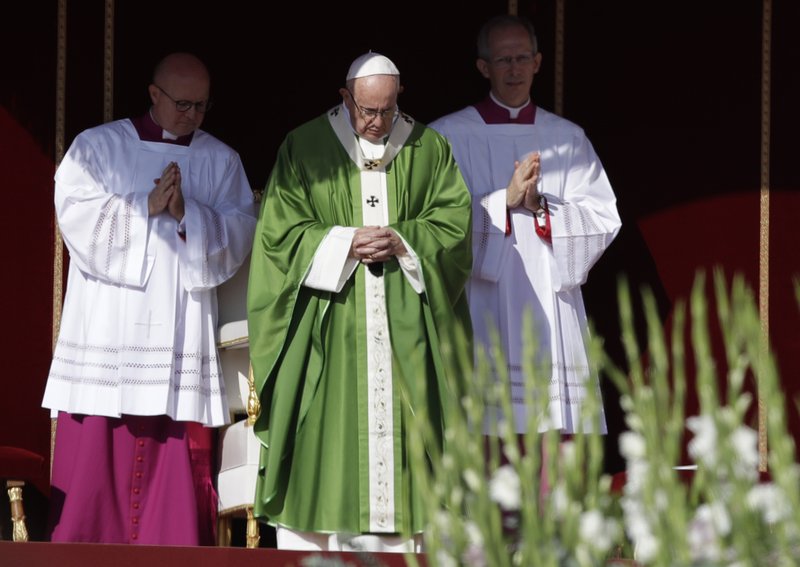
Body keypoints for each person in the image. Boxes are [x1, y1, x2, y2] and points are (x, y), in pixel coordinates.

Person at [247, 51, 473, 553]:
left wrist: (403, 240)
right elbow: (279, 236)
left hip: (403, 334)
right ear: (345, 98)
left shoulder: (429, 149)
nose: (377, 123)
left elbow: (454, 229)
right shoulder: (305, 148)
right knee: (323, 442)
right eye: (367, 111)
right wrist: (341, 243)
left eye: (388, 110)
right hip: (330, 331)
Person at [42, 52, 257, 545]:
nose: (192, 116)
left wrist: (189, 214)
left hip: (180, 335)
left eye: (202, 106)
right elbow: (75, 217)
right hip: (108, 335)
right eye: (182, 103)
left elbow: (240, 235)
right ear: (153, 95)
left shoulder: (221, 160)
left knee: (172, 487)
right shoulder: (95, 148)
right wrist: (144, 206)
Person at [430, 15, 621, 459]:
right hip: (480, 300)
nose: (513, 69)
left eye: (521, 58)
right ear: (483, 67)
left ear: (537, 63)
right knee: (482, 430)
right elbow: (432, 222)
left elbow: (603, 218)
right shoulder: (448, 136)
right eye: (503, 60)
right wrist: (503, 201)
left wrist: (539, 207)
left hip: (550, 301)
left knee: (549, 437)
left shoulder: (567, 138)